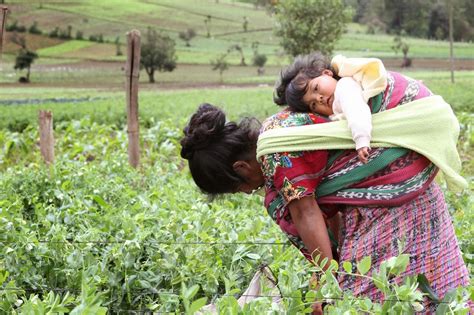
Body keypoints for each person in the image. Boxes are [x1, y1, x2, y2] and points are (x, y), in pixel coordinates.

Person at [180, 55, 470, 311]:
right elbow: (329, 210)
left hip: (389, 208)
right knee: (432, 289)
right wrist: (331, 272)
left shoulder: (275, 152)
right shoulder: (281, 126)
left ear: (240, 168)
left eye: (239, 187)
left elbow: (307, 214)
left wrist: (326, 281)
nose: (249, 191)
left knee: (366, 298)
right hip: (405, 193)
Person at [274, 53, 388, 164]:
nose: (319, 98)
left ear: (327, 73)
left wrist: (361, 139)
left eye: (316, 88)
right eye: (313, 105)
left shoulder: (345, 87)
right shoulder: (333, 112)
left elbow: (357, 111)